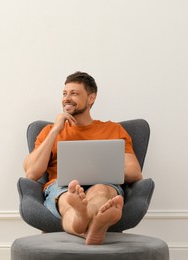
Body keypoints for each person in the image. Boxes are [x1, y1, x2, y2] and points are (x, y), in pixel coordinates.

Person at [23, 71, 143, 245]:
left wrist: (100, 172)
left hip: (104, 182)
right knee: (67, 200)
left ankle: (82, 223)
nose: (67, 98)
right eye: (64, 93)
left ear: (91, 98)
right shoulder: (50, 131)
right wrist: (56, 129)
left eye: (74, 93)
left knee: (101, 191)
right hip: (62, 186)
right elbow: (31, 173)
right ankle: (91, 223)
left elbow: (135, 172)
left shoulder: (113, 130)